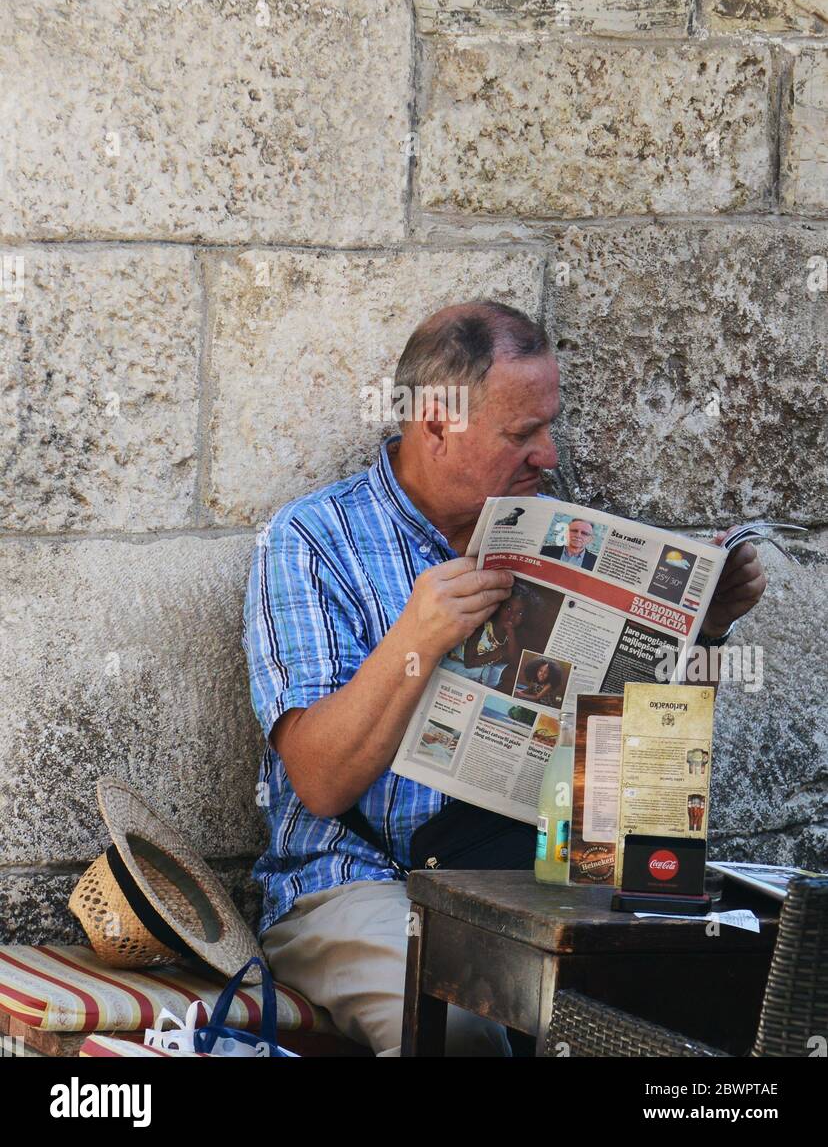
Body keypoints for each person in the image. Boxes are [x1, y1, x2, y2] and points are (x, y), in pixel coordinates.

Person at [242, 300, 767, 1057]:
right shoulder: (310, 540)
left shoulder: (563, 533)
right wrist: (416, 639)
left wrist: (706, 629)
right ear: (436, 426)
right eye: (521, 434)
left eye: (549, 427)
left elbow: (649, 784)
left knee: (703, 1005)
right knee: (463, 1031)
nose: (547, 455)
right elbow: (320, 784)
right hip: (365, 882)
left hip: (533, 877)